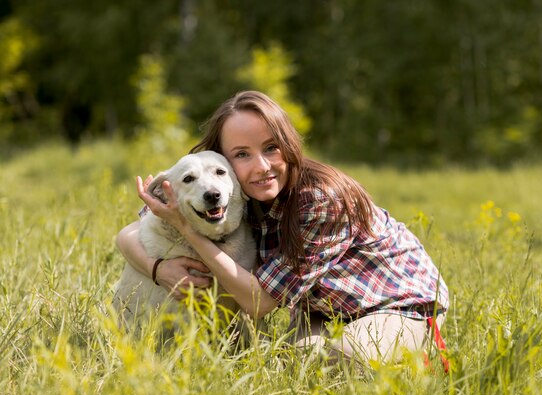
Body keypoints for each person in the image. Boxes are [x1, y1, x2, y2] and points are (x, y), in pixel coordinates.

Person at [116, 90, 449, 364]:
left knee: (331, 361)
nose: (261, 167)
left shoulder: (317, 200)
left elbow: (259, 303)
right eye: (242, 154)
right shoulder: (223, 191)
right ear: (224, 162)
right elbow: (129, 234)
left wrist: (188, 232)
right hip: (323, 309)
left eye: (271, 148)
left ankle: (419, 355)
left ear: (288, 144)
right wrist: (159, 269)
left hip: (400, 304)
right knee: (292, 362)